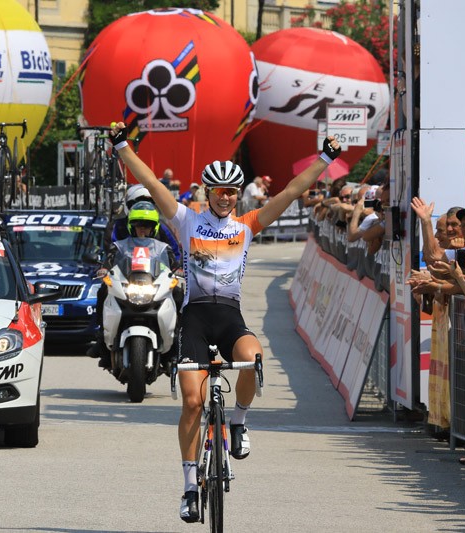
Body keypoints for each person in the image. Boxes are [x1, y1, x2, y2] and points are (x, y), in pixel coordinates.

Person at [109, 120, 341, 523]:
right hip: (195, 317)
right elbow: (149, 179)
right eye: (220, 191)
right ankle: (187, 488)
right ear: (209, 192)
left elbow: (290, 191)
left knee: (253, 359)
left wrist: (325, 158)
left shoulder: (246, 226)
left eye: (233, 191)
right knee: (193, 402)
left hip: (229, 316)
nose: (227, 197)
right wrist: (122, 147)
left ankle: (238, 422)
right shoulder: (186, 220)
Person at [91, 201, 181, 369]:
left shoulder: (163, 248)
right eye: (138, 224)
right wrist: (104, 269)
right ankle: (101, 339)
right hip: (128, 285)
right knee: (103, 290)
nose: (142, 229)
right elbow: (109, 261)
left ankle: (178, 342)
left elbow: (174, 263)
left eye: (147, 225)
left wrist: (180, 270)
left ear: (154, 227)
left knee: (178, 294)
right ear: (131, 226)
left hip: (153, 286)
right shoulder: (120, 246)